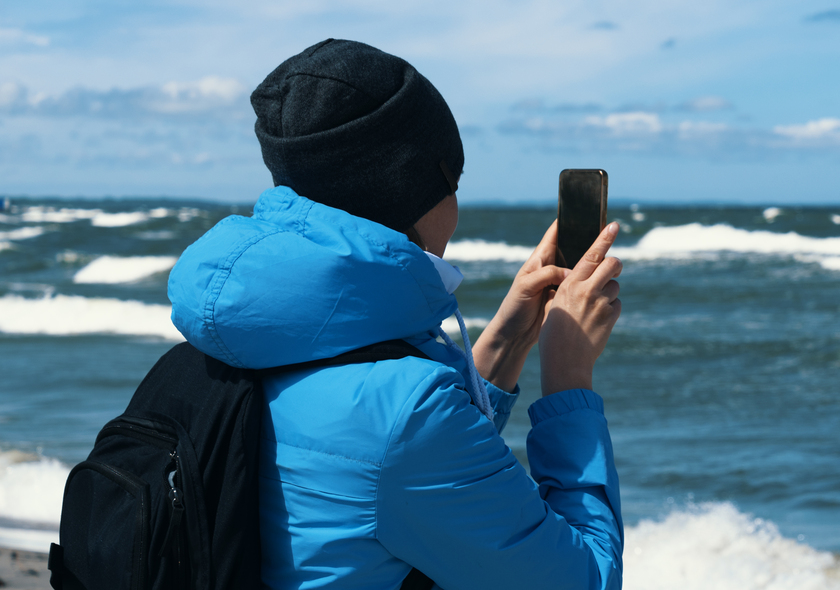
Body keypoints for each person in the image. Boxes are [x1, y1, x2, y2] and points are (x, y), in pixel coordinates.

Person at [166, 39, 624, 589]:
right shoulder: (408, 413)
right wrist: (569, 379)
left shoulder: (226, 342)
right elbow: (584, 580)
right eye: (451, 184)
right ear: (414, 187)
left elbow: (388, 472)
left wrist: (506, 341)